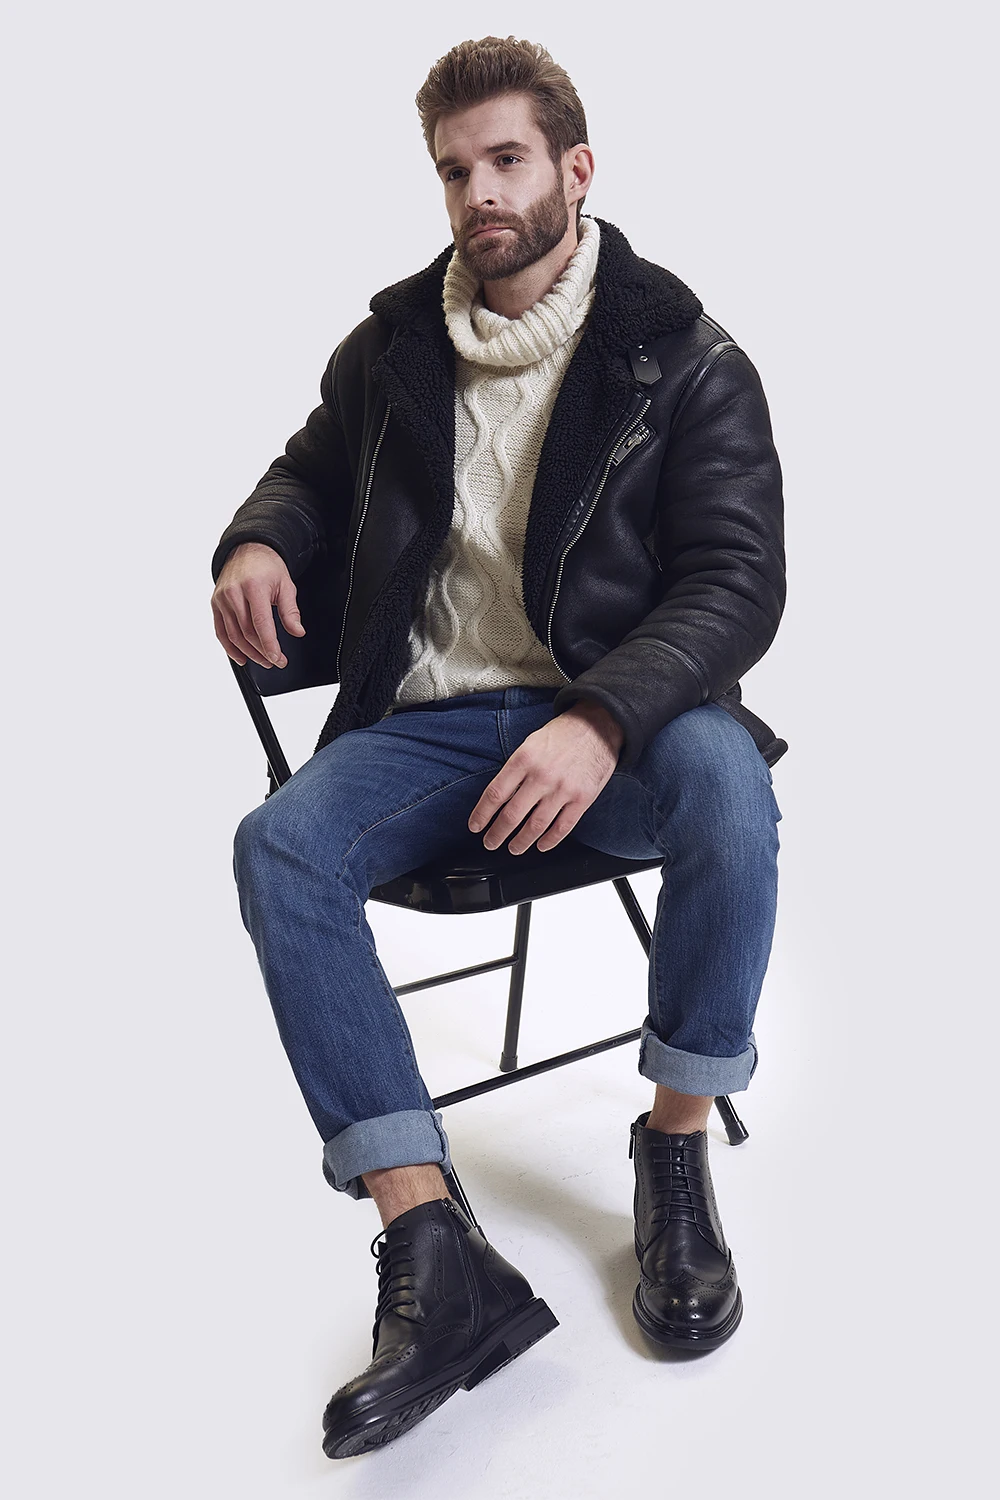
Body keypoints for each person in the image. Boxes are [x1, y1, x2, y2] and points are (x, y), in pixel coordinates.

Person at [209, 34, 786, 1461]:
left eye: (508, 160)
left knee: (727, 781)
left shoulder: (684, 356)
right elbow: (306, 470)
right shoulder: (393, 348)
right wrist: (258, 539)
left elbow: (736, 582)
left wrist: (603, 716)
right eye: (455, 169)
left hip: (620, 719)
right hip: (433, 725)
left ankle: (673, 1145)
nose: (481, 193)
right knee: (280, 847)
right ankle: (434, 1247)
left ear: (576, 170)